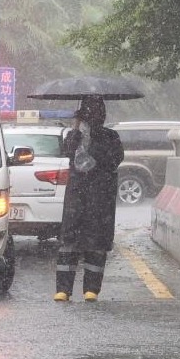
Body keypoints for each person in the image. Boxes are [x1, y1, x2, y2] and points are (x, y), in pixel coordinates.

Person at [54, 96, 124, 302]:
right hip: (77, 196)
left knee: (96, 241)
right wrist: (77, 129)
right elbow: (67, 151)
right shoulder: (74, 135)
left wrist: (94, 149)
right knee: (69, 240)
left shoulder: (110, 136)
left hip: (100, 197)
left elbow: (115, 159)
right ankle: (63, 289)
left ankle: (91, 289)